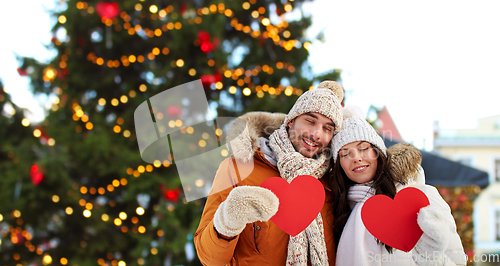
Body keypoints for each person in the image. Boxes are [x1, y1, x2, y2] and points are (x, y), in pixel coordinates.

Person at [194, 80, 344, 265]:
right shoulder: (238, 168)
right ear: (290, 122)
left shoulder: (333, 180)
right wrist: (228, 220)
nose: (316, 134)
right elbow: (209, 258)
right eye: (310, 121)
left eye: (327, 128)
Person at [329, 106, 467, 265]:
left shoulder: (423, 197)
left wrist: (430, 256)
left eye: (363, 148)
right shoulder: (340, 210)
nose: (356, 158)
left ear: (378, 153)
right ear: (339, 165)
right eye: (345, 153)